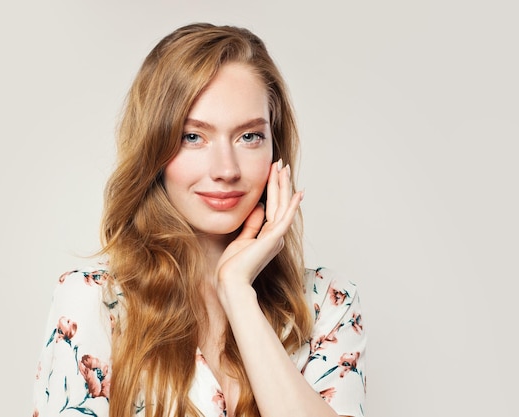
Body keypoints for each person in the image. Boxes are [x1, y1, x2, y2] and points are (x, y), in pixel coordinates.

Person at [32, 23, 366, 417]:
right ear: (153, 148)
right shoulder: (95, 302)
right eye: (193, 137)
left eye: (249, 137)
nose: (226, 169)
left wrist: (237, 292)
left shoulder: (326, 303)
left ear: (276, 149)